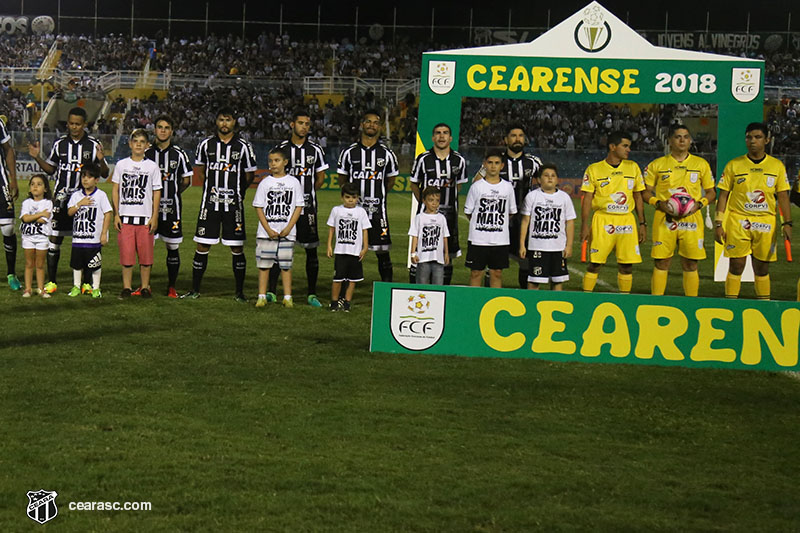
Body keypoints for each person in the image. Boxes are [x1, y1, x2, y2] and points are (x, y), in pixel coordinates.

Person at [27, 106, 108, 294]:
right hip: (62, 199)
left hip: (85, 200)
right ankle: (52, 281)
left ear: (84, 124)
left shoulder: (93, 144)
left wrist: (102, 159)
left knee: (87, 240)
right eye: (71, 123)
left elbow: (104, 173)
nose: (74, 127)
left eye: (77, 124)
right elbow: (51, 170)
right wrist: (36, 157)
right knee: (55, 238)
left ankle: (87, 283)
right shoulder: (60, 144)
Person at [182, 107, 257, 301]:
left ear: (234, 122)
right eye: (222, 120)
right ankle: (195, 290)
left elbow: (249, 175)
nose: (225, 123)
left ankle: (239, 293)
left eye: (228, 120)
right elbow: (201, 171)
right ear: (216, 122)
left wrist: (238, 192)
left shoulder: (243, 146)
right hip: (210, 204)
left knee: (237, 247)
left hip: (234, 206)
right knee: (202, 244)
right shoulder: (206, 144)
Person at [714, 122, 791, 300]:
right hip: (738, 221)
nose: (752, 141)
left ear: (767, 140)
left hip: (766, 222)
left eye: (758, 137)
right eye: (749, 137)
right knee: (736, 265)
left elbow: (783, 197)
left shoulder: (776, 166)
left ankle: (763, 305)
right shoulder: (734, 165)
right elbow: (723, 195)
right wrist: (719, 222)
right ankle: (731, 304)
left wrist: (787, 223)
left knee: (762, 267)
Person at [642, 124, 715, 296]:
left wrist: (699, 204)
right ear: (669, 141)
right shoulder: (657, 164)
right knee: (661, 262)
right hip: (664, 218)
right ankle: (656, 302)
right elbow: (645, 191)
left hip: (692, 219)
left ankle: (691, 303)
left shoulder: (701, 164)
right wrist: (657, 203)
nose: (682, 140)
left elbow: (712, 192)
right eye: (678, 137)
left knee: (691, 263)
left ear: (690, 141)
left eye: (686, 137)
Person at [271, 109, 329, 307]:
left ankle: (312, 294)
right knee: (279, 250)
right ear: (292, 124)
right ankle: (271, 291)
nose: (304, 127)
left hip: (308, 209)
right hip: (283, 210)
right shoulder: (281, 149)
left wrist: (305, 195)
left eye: (307, 124)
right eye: (301, 123)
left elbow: (320, 177)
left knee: (311, 250)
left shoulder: (315, 150)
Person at [474, 124, 542, 288]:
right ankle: (489, 296)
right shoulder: (496, 161)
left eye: (520, 135)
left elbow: (546, 185)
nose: (517, 139)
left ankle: (526, 296)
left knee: (525, 259)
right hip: (498, 219)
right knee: (494, 264)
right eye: (513, 135)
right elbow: (476, 182)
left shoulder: (533, 162)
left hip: (524, 219)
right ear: (506, 139)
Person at [580, 131, 646, 294]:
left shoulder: (633, 167)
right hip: (603, 220)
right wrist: (584, 225)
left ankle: (625, 298)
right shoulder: (594, 169)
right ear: (612, 147)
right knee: (595, 263)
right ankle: (586, 298)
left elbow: (638, 196)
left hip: (627, 221)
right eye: (625, 146)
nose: (628, 150)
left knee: (626, 265)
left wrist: (642, 224)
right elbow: (587, 198)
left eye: (629, 146)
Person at [337, 109, 399, 282]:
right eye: (368, 121)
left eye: (376, 122)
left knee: (383, 253)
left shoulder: (387, 154)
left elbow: (391, 181)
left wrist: (378, 195)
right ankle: (346, 291)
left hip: (378, 214)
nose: (372, 125)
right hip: (353, 214)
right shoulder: (349, 153)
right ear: (362, 125)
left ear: (379, 127)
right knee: (351, 253)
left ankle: (387, 289)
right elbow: (342, 179)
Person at [409, 122, 467, 285]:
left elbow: (459, 185)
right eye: (438, 133)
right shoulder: (423, 159)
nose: (442, 136)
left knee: (448, 255)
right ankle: (418, 290)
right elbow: (414, 183)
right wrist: (424, 201)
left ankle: (444, 291)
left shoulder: (459, 160)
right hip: (426, 216)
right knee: (421, 251)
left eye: (445, 133)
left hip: (449, 216)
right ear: (433, 137)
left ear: (451, 138)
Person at [145, 114, 193, 298]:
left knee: (172, 248)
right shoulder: (147, 154)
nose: (163, 130)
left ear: (171, 131)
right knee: (147, 247)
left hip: (172, 210)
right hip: (149, 211)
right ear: (155, 130)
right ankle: (145, 285)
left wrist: (172, 194)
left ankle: (171, 287)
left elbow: (186, 180)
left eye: (166, 127)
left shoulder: (179, 154)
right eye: (160, 127)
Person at [111, 129, 162, 299]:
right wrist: (117, 214)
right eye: (136, 141)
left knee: (146, 257)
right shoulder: (121, 165)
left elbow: (156, 192)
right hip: (126, 218)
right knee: (126, 256)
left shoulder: (152, 167)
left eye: (142, 141)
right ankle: (126, 287)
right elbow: (116, 189)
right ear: (130, 144)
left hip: (144, 218)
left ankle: (145, 287)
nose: (139, 144)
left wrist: (154, 216)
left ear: (147, 145)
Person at [252, 147, 304, 308]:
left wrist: (289, 228)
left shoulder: (294, 182)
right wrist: (267, 229)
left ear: (285, 162)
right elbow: (259, 207)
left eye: (277, 160)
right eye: (270, 161)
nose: (273, 164)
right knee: (264, 265)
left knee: (286, 265)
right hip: (266, 232)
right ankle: (261, 296)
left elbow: (298, 206)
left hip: (286, 232)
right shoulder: (265, 183)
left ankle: (288, 297)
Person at [464, 149, 518, 288]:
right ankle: (474, 302)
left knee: (497, 272)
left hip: (500, 239)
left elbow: (511, 212)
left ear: (502, 166)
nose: (493, 166)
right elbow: (468, 212)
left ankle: (494, 303)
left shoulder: (507, 187)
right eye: (490, 163)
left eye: (497, 163)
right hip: (478, 239)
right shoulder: (476, 187)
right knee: (476, 272)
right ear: (484, 165)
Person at [518, 164, 576, 290]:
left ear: (557, 180)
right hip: (537, 247)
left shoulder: (564, 198)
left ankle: (556, 305)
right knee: (534, 280)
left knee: (557, 281)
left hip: (558, 247)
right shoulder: (532, 196)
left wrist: (569, 245)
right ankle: (531, 305)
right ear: (539, 180)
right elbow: (525, 221)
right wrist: (522, 244)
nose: (550, 178)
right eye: (546, 175)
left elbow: (570, 222)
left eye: (553, 176)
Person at [66, 163, 112, 298]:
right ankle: (76, 286)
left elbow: (108, 213)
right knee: (77, 264)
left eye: (89, 177)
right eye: (83, 177)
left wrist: (104, 233)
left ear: (96, 180)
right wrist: (80, 203)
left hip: (94, 238)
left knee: (95, 264)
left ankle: (96, 287)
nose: (85, 180)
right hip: (79, 238)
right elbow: (69, 212)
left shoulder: (101, 195)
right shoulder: (76, 195)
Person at [326, 182, 371, 312]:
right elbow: (331, 229)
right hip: (340, 251)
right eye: (347, 197)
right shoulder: (336, 210)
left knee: (353, 279)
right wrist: (329, 245)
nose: (351, 200)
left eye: (354, 197)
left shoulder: (361, 212)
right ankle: (334, 302)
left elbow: (365, 230)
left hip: (355, 252)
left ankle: (347, 302)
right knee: (338, 278)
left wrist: (365, 247)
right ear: (342, 197)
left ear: (357, 198)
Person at [18, 175, 52, 297]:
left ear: (45, 189)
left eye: (39, 184)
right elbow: (25, 218)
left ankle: (41, 289)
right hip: (28, 237)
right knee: (28, 263)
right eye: (32, 184)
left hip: (41, 237)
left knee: (40, 264)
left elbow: (43, 220)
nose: (35, 186)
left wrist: (35, 216)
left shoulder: (48, 203)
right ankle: (28, 289)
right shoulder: (26, 203)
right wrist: (40, 214)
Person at [409, 186, 450, 285]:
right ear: (424, 201)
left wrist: (446, 253)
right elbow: (415, 236)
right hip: (423, 258)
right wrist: (413, 253)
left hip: (438, 258)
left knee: (438, 286)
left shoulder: (441, 218)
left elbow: (445, 237)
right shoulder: (419, 218)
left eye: (437, 200)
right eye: (431, 200)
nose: (434, 203)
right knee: (422, 285)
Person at [0, 114, 19, 290]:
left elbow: (8, 149)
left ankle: (11, 274)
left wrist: (13, 178)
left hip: (1, 183)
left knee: (8, 228)